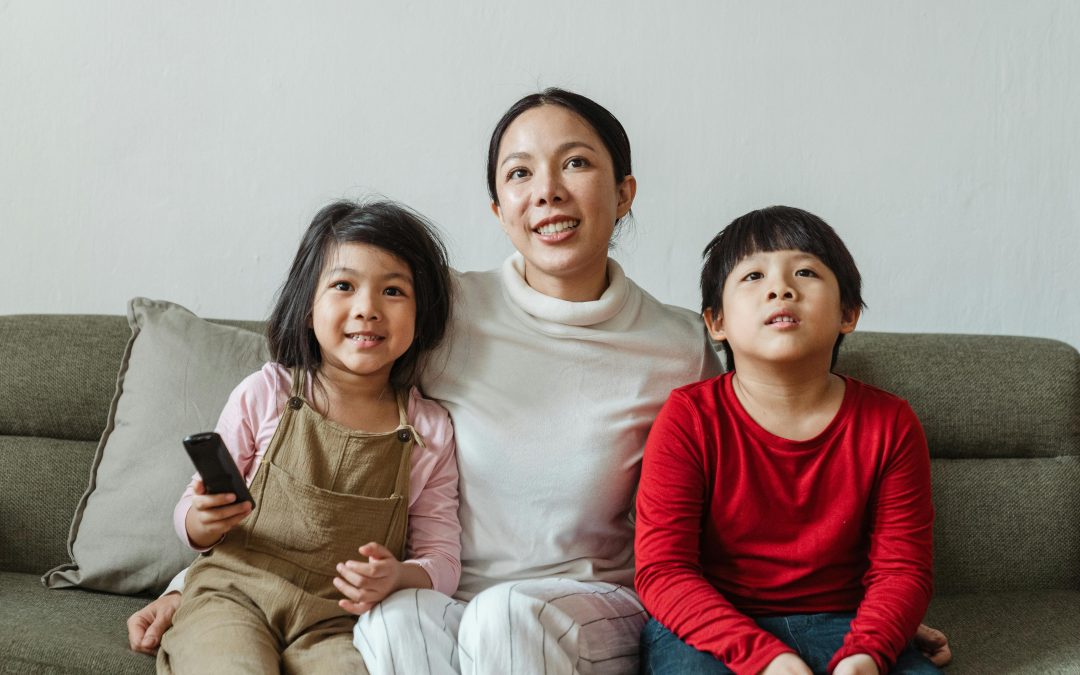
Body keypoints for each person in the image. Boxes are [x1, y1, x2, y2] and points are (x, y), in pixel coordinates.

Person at [128, 89, 951, 673]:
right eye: (519, 173)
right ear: (497, 208)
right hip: (442, 595)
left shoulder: (679, 339)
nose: (547, 190)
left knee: (509, 614)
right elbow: (308, 439)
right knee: (389, 621)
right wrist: (192, 581)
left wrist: (860, 628)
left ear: (623, 192)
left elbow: (754, 487)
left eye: (576, 164)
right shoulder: (439, 311)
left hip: (592, 606)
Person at [155, 200, 461, 673]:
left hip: (337, 625)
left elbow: (442, 559)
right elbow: (187, 512)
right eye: (343, 286)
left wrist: (399, 576)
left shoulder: (429, 431)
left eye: (394, 291)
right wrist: (199, 521)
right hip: (231, 596)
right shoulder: (267, 392)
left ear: (423, 316)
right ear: (307, 307)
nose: (368, 309)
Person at [635, 206, 941, 675]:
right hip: (714, 630)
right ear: (716, 322)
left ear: (848, 313)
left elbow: (902, 571)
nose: (781, 288)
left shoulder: (890, 422)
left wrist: (867, 653)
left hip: (849, 626)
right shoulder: (688, 418)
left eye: (805, 272)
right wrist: (769, 661)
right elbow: (663, 572)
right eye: (753, 276)